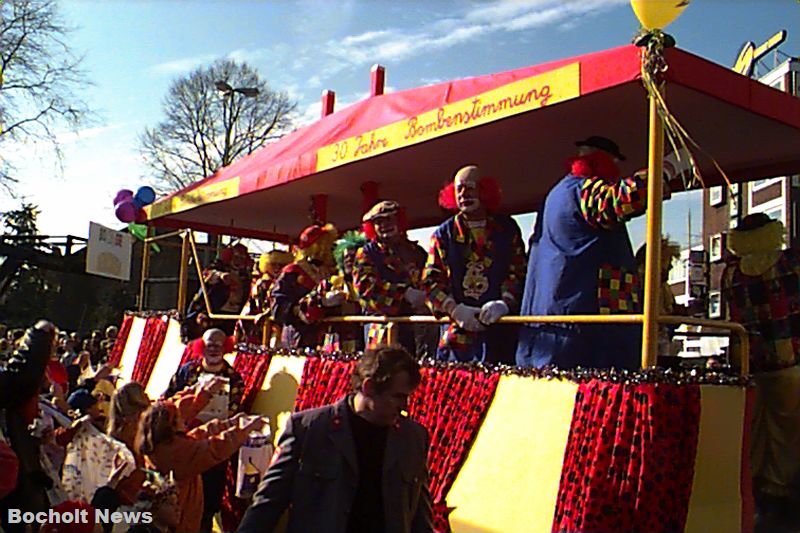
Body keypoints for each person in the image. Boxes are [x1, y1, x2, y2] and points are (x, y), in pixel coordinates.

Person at [237, 345, 432, 533]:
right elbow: (268, 502)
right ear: (369, 387)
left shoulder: (413, 438)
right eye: (398, 397)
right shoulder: (309, 430)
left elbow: (419, 514)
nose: (405, 406)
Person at [516, 136, 666, 369]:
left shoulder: (556, 195)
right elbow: (623, 199)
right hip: (586, 328)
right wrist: (663, 170)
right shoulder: (582, 191)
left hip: (553, 324)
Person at [720, 213, 800, 527]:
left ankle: (752, 493)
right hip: (788, 359)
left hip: (749, 363)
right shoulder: (789, 264)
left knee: (752, 431)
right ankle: (778, 494)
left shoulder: (731, 274)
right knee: (787, 432)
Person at [422, 166, 527, 363]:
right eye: (458, 189)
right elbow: (430, 282)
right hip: (458, 340)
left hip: (500, 332)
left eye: (469, 188)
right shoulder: (443, 235)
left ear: (485, 191)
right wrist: (453, 308)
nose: (463, 195)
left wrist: (505, 302)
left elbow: (519, 271)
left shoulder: (506, 229)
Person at [137, 393, 262, 533]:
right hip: (181, 520)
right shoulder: (177, 453)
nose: (183, 421)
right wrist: (244, 431)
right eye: (179, 418)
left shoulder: (159, 445)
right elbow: (214, 448)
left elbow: (198, 436)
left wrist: (230, 423)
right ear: (171, 425)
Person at [163, 328, 244, 533]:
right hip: (184, 445)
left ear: (226, 347)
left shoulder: (234, 378)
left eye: (218, 344)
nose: (214, 349)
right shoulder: (187, 372)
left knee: (208, 503)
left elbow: (234, 412)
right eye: (210, 344)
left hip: (212, 450)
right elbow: (168, 401)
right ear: (201, 346)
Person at [353, 201, 432, 355]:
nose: (384, 226)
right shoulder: (367, 253)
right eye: (378, 222)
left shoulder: (417, 251)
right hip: (383, 330)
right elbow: (365, 289)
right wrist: (404, 293)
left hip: (420, 328)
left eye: (389, 220)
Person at [269, 223, 340, 349]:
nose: (330, 249)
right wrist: (303, 309)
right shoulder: (293, 271)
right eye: (325, 245)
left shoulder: (329, 272)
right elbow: (278, 306)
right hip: (298, 336)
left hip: (326, 339)